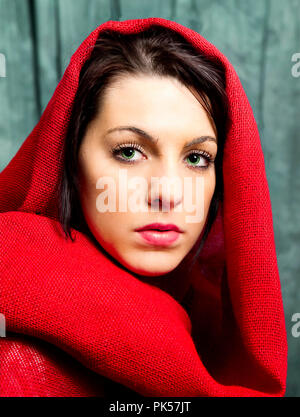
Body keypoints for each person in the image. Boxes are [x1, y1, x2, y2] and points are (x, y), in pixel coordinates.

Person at [0, 17, 287, 397]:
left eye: (198, 158)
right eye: (129, 152)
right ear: (71, 162)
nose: (168, 193)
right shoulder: (17, 366)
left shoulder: (206, 323)